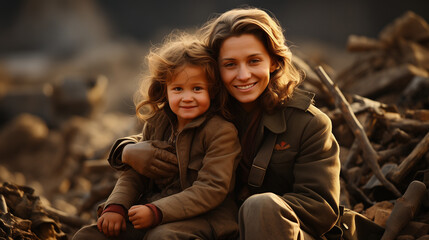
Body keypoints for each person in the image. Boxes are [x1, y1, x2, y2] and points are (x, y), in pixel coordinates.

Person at [107, 7, 341, 240]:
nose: (243, 75)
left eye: (254, 61)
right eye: (230, 64)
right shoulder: (208, 107)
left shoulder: (309, 124)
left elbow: (321, 207)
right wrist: (125, 151)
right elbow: (164, 137)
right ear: (214, 69)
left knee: (259, 207)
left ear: (274, 62)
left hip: (283, 231)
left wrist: (257, 211)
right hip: (211, 223)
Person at [73, 33, 241, 240]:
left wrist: (156, 211)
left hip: (205, 219)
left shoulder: (221, 132)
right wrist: (116, 206)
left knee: (161, 237)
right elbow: (135, 174)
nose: (187, 97)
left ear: (212, 91)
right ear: (164, 90)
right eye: (178, 89)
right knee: (88, 236)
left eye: (197, 89)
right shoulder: (157, 123)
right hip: (152, 210)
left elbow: (212, 188)